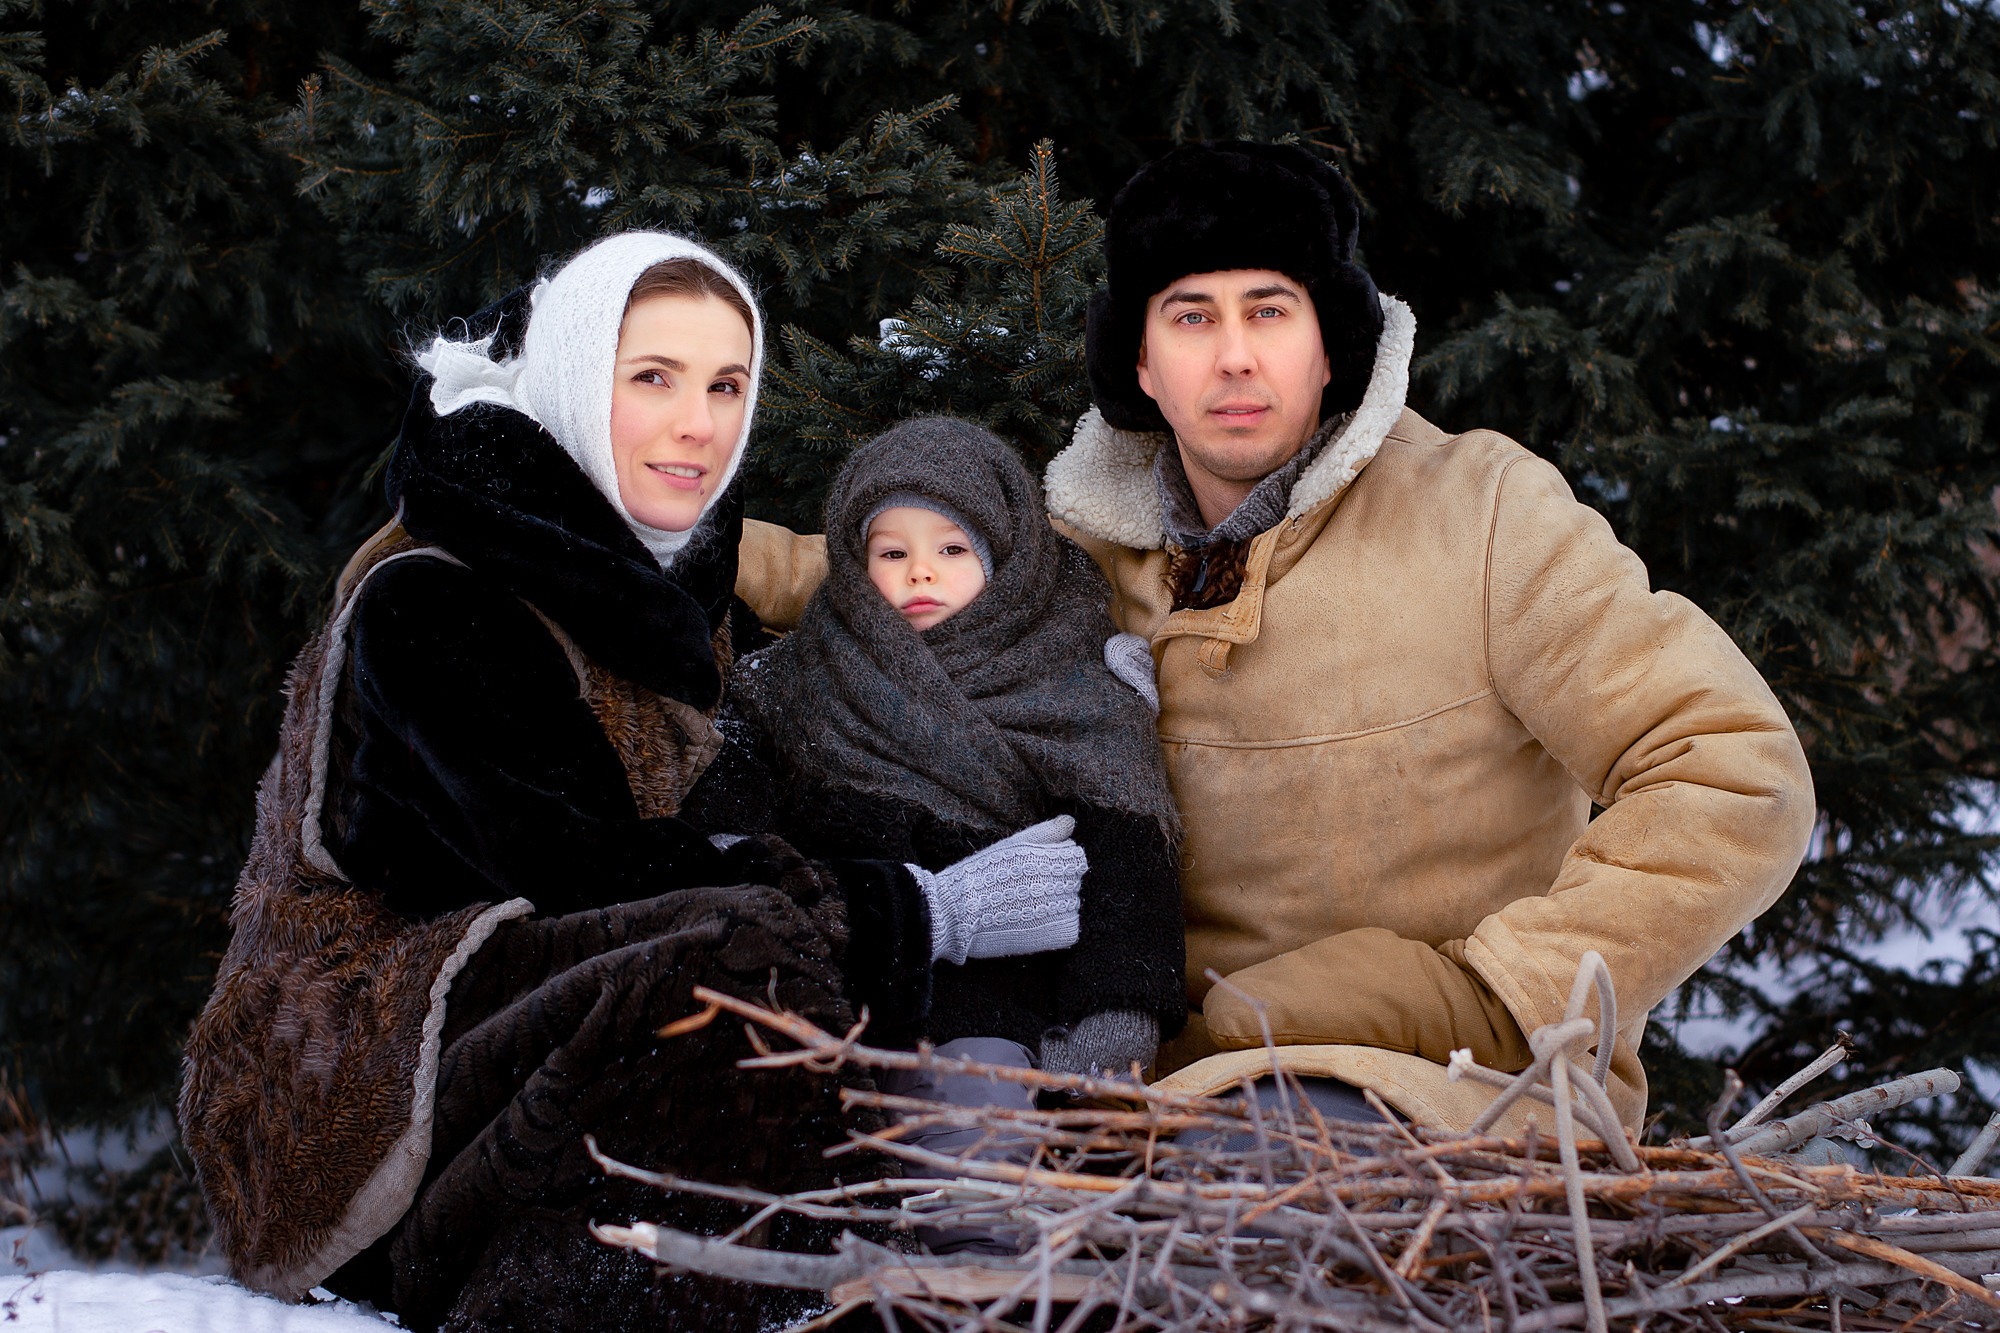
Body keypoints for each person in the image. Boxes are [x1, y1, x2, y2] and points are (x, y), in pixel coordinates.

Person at [735, 142, 1817, 1135]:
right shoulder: (1077, 557)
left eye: (1270, 310)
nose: (1234, 357)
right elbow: (885, 573)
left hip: (1441, 1085)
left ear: (1331, 345)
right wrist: (674, 541)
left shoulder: (1483, 514)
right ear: (1142, 365)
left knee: (1233, 1183)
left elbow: (1730, 769)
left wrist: (1506, 986)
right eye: (1191, 317)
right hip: (1135, 1083)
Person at [179, 232, 1092, 1333]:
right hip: (358, 1088)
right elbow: (575, 873)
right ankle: (572, 1290)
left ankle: (814, 1273)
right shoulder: (437, 597)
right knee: (736, 954)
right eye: (650, 377)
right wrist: (920, 911)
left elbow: (760, 809)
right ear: (571, 373)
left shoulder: (661, 586)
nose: (695, 425)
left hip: (537, 1037)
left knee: (770, 956)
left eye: (725, 385)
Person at [686, 418, 1185, 1244]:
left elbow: (1132, 888)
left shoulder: (1083, 688)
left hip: (1005, 1019)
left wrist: (1106, 1044)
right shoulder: (797, 682)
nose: (920, 570)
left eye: (953, 548)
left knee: (984, 1190)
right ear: (852, 562)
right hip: (830, 1005)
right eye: (891, 551)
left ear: (1007, 555)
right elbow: (728, 843)